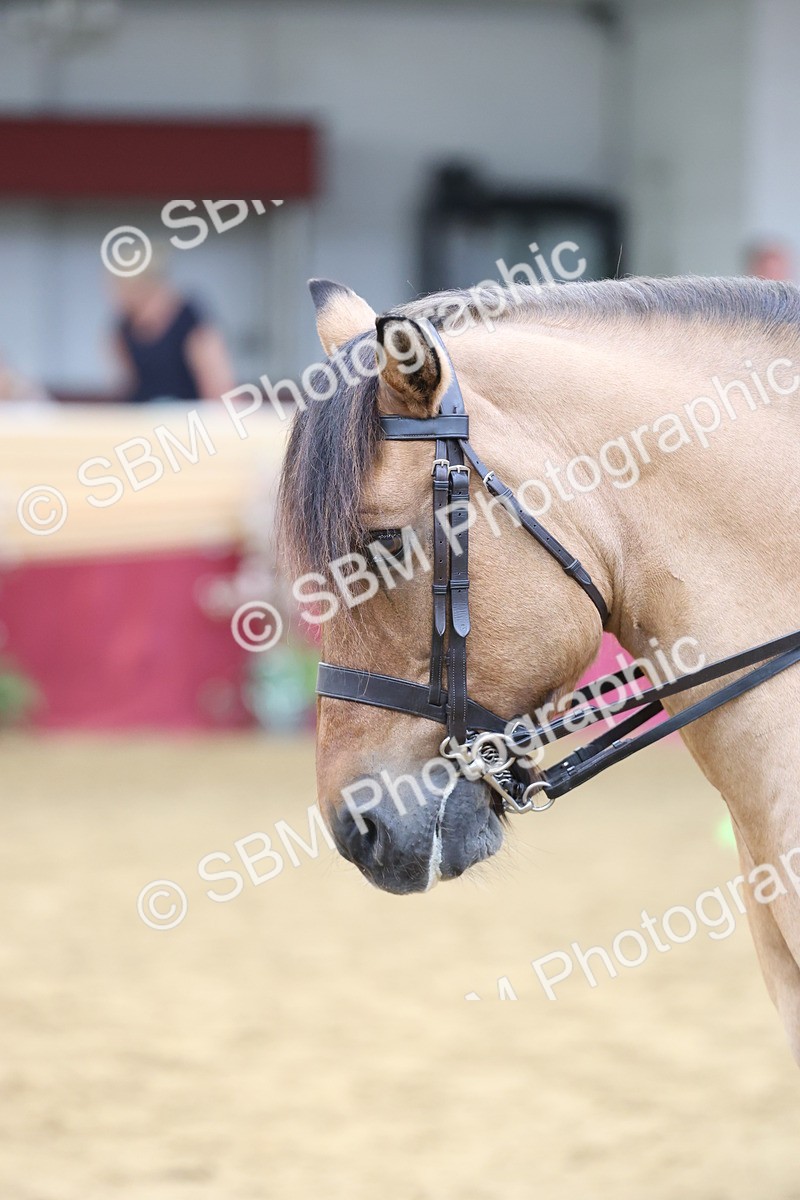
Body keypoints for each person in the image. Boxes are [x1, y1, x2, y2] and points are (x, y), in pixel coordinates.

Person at [111, 248, 235, 403]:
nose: (114, 294)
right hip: (143, 420)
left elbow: (219, 387)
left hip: (188, 417)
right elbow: (127, 385)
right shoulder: (123, 329)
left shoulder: (191, 321)